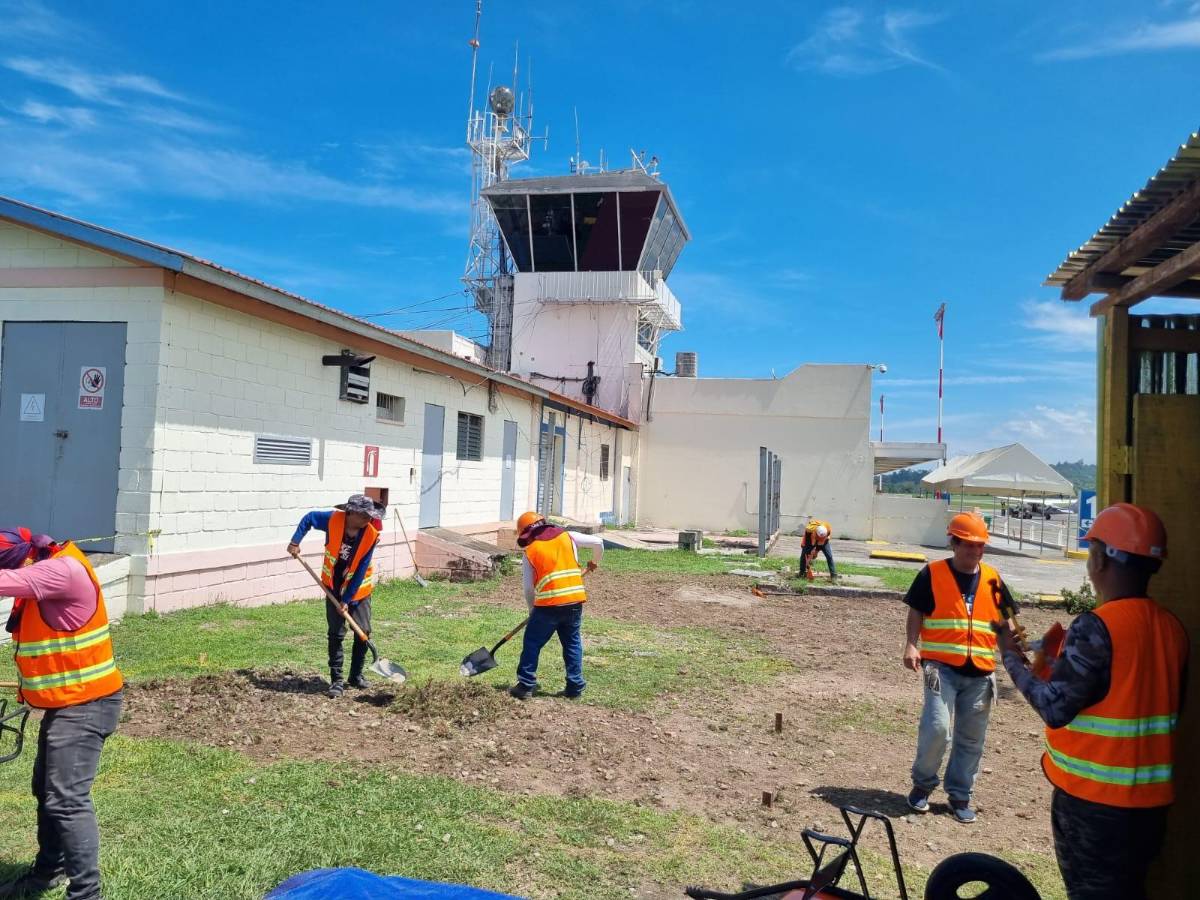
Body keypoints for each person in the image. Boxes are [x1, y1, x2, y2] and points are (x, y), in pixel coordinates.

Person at [1001, 503, 1188, 900]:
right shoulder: (1172, 628)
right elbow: (1137, 696)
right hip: (1150, 809)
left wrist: (1010, 658)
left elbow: (1054, 708)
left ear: (1100, 559)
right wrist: (1058, 665)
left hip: (1095, 807)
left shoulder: (1097, 626)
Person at [0, 527, 124, 900]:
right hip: (69, 704)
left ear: (23, 560)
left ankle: (86, 894)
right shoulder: (51, 563)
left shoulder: (60, 571)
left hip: (87, 705)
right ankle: (48, 873)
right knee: (46, 790)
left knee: (67, 800)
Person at [902, 512, 1015, 823]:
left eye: (980, 545)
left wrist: (1015, 658)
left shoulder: (993, 579)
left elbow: (1006, 622)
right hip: (940, 668)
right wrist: (911, 644)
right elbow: (916, 611)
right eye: (968, 544)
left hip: (981, 672)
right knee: (937, 728)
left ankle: (960, 796)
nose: (975, 551)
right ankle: (922, 785)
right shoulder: (932, 574)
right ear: (953, 543)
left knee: (971, 738)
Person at [287, 494, 383, 699]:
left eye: (370, 515)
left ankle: (355, 676)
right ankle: (336, 680)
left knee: (363, 631)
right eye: (364, 515)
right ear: (351, 512)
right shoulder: (333, 520)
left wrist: (346, 600)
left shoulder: (371, 534)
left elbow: (360, 570)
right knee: (336, 633)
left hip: (358, 590)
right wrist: (295, 541)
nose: (369, 519)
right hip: (333, 585)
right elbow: (309, 518)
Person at [509, 511, 604, 700]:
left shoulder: (530, 552)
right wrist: (594, 562)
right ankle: (574, 687)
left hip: (548, 606)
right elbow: (598, 542)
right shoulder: (568, 536)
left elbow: (528, 589)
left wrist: (532, 609)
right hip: (574, 601)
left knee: (532, 643)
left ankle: (525, 685)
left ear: (526, 533)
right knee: (572, 643)